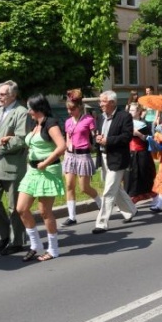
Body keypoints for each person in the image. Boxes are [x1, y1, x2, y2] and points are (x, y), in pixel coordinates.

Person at [16, 94, 66, 262]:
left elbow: (62, 146)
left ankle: (53, 249)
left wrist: (45, 162)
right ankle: (36, 244)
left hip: (48, 170)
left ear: (37, 108)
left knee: (45, 211)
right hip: (33, 170)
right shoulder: (34, 124)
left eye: (29, 108)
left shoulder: (50, 123)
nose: (27, 111)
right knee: (21, 209)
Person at [0, 80, 29, 256]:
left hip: (12, 166)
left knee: (14, 206)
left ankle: (17, 241)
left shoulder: (21, 112)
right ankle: (4, 234)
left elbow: (21, 139)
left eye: (2, 94)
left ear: (13, 95)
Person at [92, 90, 137, 233]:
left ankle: (101, 223)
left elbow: (127, 136)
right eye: (100, 101)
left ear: (112, 102)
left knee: (109, 190)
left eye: (103, 101)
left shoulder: (124, 116)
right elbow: (98, 134)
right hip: (104, 157)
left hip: (117, 158)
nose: (100, 104)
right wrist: (97, 139)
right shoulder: (101, 117)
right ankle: (130, 210)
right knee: (115, 187)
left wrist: (108, 141)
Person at [62, 89, 101, 226]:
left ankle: (100, 203)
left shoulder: (88, 120)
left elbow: (95, 135)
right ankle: (72, 217)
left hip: (83, 155)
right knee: (69, 185)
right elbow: (68, 137)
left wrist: (96, 140)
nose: (70, 112)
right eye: (68, 109)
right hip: (70, 155)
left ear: (79, 107)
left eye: (72, 109)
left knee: (84, 187)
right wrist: (66, 149)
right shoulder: (68, 122)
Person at [125, 102, 157, 204]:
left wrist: (138, 134)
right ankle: (130, 199)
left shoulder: (143, 124)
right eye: (130, 110)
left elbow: (149, 139)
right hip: (130, 153)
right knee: (130, 177)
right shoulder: (126, 123)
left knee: (144, 175)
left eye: (133, 110)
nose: (130, 112)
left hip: (142, 153)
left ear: (139, 111)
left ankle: (154, 196)